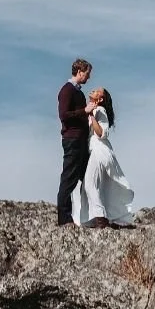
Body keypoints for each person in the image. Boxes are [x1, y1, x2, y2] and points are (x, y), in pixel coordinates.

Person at [72, 87, 135, 229]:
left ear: (100, 99)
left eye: (97, 91)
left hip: (99, 150)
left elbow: (101, 133)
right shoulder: (93, 110)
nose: (93, 90)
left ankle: (101, 219)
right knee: (92, 185)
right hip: (93, 151)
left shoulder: (100, 110)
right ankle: (97, 218)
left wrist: (91, 116)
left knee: (90, 183)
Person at [56, 57, 92, 226]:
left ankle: (90, 215)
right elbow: (64, 115)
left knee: (88, 177)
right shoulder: (67, 90)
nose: (89, 77)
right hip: (72, 139)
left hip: (81, 140)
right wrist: (84, 111)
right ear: (79, 72)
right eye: (87, 73)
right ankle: (64, 218)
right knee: (69, 178)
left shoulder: (78, 92)